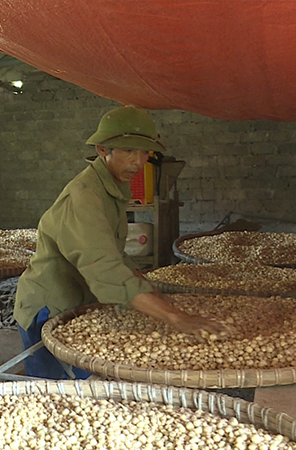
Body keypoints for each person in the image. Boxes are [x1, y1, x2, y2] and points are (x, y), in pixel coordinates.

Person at [13, 105, 225, 379]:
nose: (138, 161)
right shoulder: (84, 196)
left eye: (145, 152)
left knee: (84, 388)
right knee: (53, 395)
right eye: (128, 151)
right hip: (49, 306)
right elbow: (104, 270)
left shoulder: (110, 190)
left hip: (78, 303)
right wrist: (175, 317)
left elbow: (111, 251)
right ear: (103, 150)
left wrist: (141, 282)